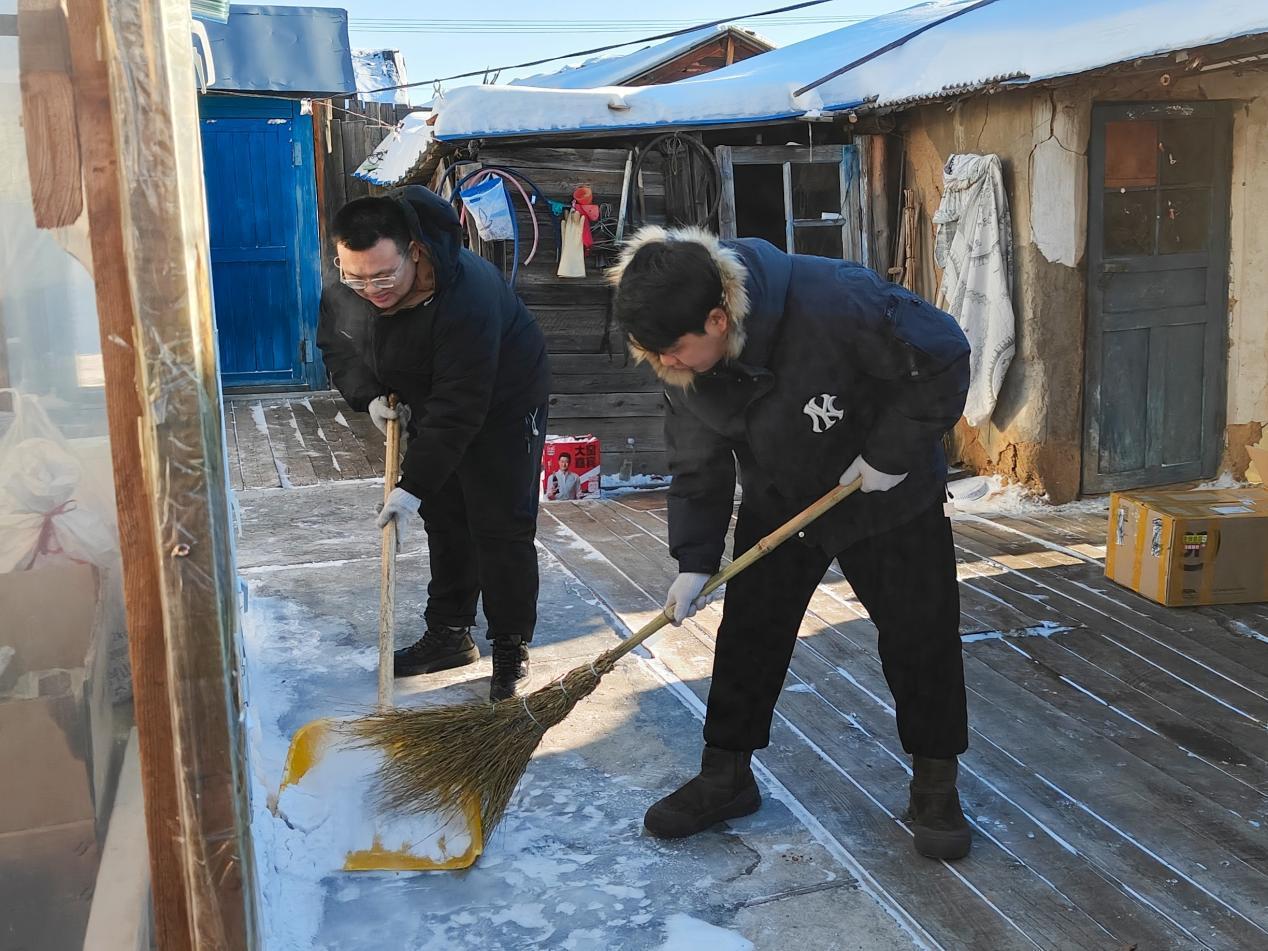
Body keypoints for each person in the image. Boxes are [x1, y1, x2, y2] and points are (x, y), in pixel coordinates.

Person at [610, 225, 972, 860]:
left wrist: (889, 454)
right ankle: (726, 775)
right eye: (655, 353)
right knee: (750, 633)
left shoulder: (838, 299)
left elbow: (944, 356)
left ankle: (936, 786)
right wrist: (694, 560)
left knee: (921, 635)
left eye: (674, 351)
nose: (667, 365)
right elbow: (697, 465)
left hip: (887, 494)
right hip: (783, 497)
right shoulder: (676, 354)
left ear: (718, 319)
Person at [316, 185, 550, 701]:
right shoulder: (350, 281)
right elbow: (338, 345)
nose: (370, 289)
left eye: (383, 276)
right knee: (444, 516)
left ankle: (510, 644)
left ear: (414, 251)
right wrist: (368, 395)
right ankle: (449, 633)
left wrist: (411, 485)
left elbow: (460, 406)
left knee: (500, 523)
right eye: (356, 277)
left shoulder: (466, 295)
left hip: (503, 401)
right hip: (429, 393)